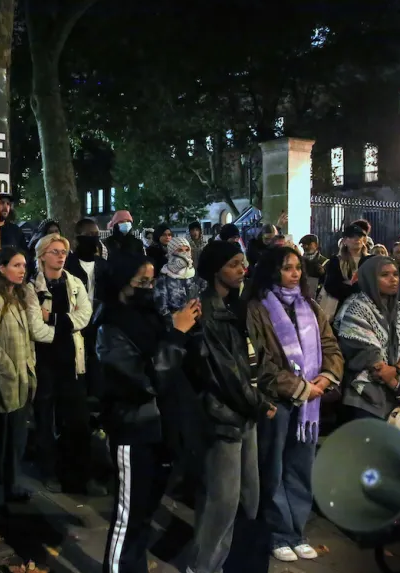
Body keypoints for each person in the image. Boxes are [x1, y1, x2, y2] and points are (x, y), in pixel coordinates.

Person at [96, 253, 200, 573]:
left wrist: (186, 330)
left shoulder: (149, 315)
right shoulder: (109, 326)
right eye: (141, 281)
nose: (149, 287)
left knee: (144, 515)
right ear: (122, 282)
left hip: (160, 429)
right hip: (133, 429)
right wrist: (177, 334)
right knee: (128, 518)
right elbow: (147, 380)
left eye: (152, 280)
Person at [245, 247, 344, 563]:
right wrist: (301, 387)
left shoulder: (311, 307)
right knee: (273, 469)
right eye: (287, 268)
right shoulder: (257, 309)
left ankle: (296, 532)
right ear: (272, 271)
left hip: (309, 406)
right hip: (279, 401)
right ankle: (277, 533)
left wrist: (325, 380)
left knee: (301, 468)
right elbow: (261, 361)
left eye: (298, 268)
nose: (295, 273)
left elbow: (331, 347)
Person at [186, 241, 275, 573]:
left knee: (248, 496)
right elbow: (222, 371)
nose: (243, 269)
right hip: (223, 415)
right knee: (221, 502)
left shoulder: (238, 306)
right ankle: (202, 567)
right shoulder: (204, 310)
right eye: (235, 264)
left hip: (245, 413)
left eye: (244, 263)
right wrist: (257, 403)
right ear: (215, 270)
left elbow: (253, 357)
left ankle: (230, 562)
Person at [0, 247, 53, 509]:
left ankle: (9, 486)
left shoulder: (15, 297)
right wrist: (8, 367)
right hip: (1, 384)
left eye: (24, 266)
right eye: (16, 265)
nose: (22, 270)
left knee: (14, 439)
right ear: (1, 268)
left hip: (19, 381)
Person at [28, 234, 103, 495]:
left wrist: (55, 320)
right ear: (42, 256)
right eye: (55, 251)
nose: (61, 256)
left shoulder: (74, 283)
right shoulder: (31, 288)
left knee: (77, 420)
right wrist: (64, 325)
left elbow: (85, 315)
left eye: (63, 251)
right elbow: (36, 329)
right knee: (46, 420)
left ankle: (81, 473)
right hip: (44, 363)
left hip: (73, 361)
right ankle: (50, 471)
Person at [333, 256, 400, 421]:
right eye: (384, 275)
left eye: (395, 274)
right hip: (366, 396)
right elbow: (371, 359)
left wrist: (396, 369)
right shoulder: (355, 309)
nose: (393, 280)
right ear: (369, 278)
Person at [65, 217, 109, 398]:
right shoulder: (68, 265)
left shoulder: (103, 266)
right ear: (78, 237)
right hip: (75, 321)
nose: (94, 238)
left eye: (96, 234)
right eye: (89, 234)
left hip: (98, 322)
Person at [154, 236, 207, 325]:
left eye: (187, 250)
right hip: (176, 328)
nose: (184, 253)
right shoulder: (163, 279)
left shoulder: (196, 275)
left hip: (198, 327)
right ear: (171, 252)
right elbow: (162, 309)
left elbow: (205, 298)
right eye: (179, 250)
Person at [321, 224, 368, 318]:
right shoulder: (336, 260)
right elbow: (331, 286)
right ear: (345, 241)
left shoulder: (371, 260)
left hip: (366, 309)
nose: (356, 239)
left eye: (359, 236)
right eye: (352, 236)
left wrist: (349, 284)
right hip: (341, 310)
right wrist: (355, 289)